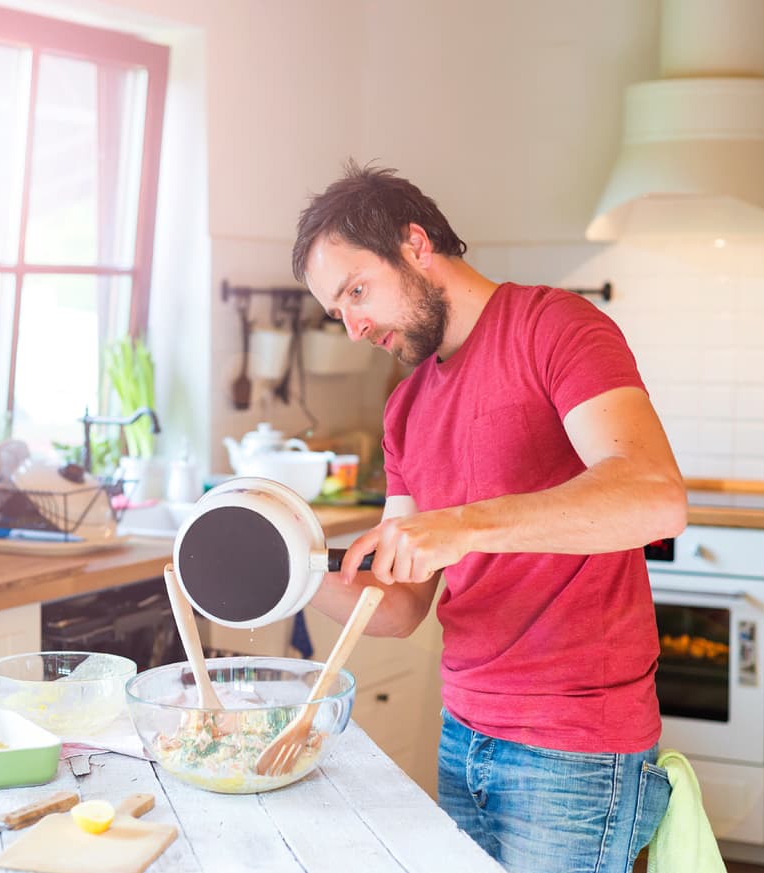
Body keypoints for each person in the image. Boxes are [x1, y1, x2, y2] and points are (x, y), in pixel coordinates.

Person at [290, 161, 688, 873]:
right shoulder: (406, 408)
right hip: (464, 731)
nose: (353, 326)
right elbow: (403, 603)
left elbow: (654, 494)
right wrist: (290, 570)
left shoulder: (555, 327)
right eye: (337, 310)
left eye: (357, 291)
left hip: (575, 745)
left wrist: (463, 526)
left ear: (416, 244)